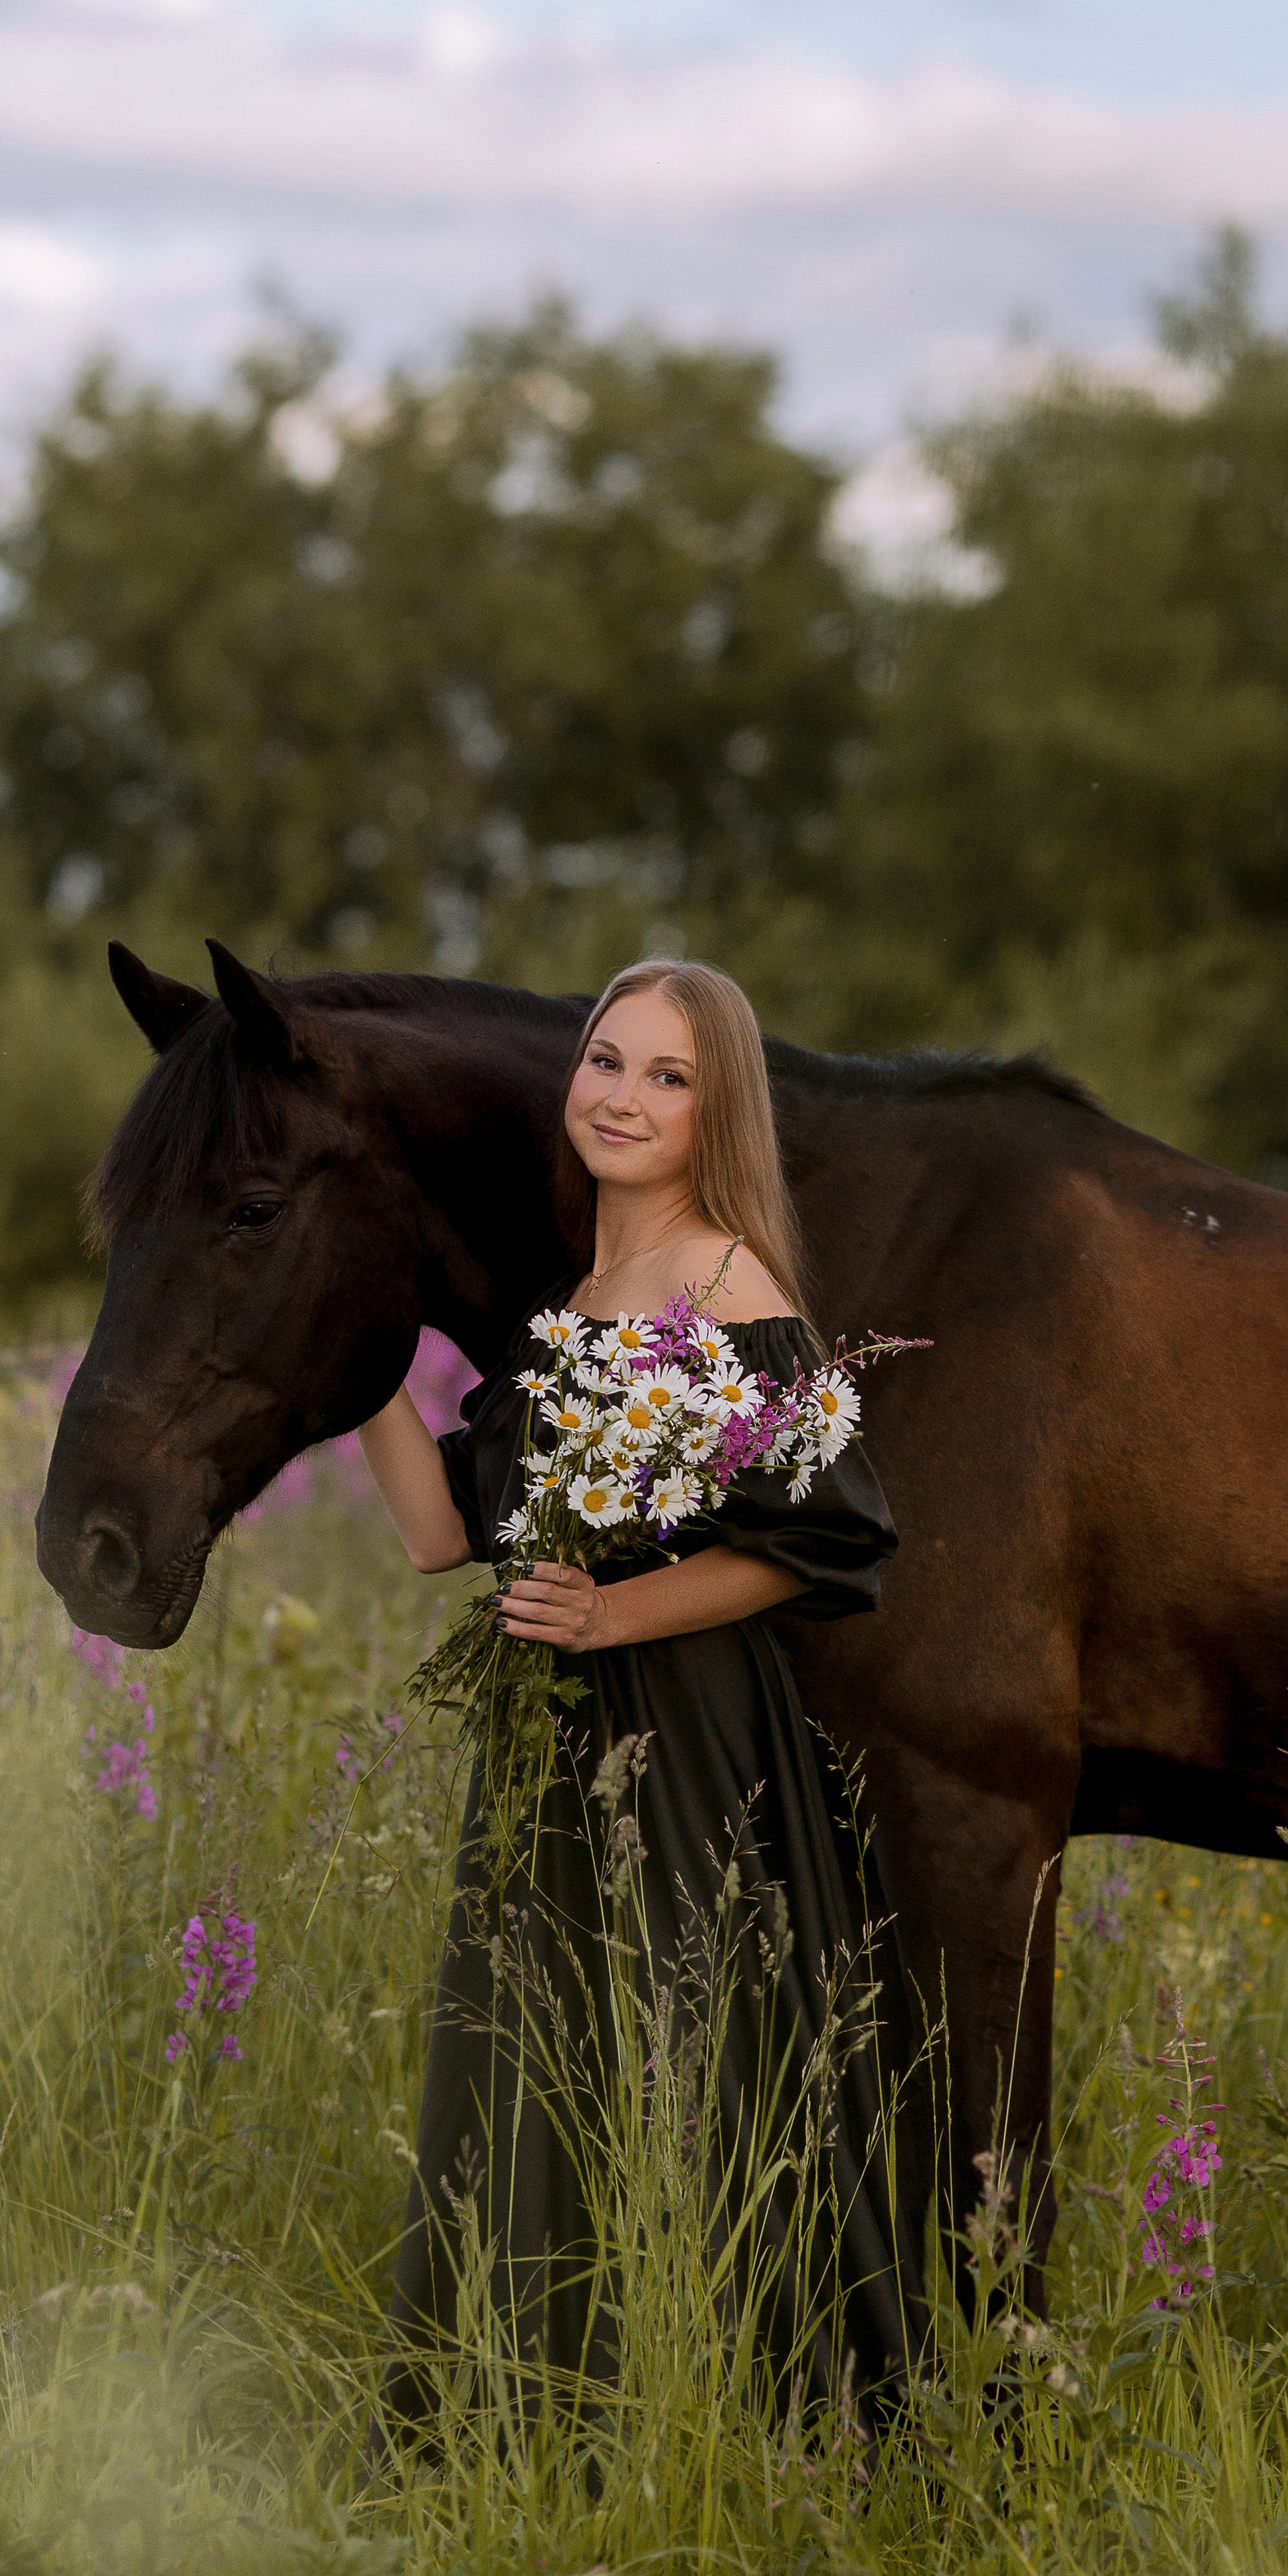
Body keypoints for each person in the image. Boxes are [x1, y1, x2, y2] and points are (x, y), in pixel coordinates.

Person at [360, 960, 919, 2445]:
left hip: (681, 1733)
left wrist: (610, 1612)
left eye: (669, 1077)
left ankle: (747, 2432)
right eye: (606, 1060)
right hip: (547, 1734)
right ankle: (532, 2418)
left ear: (715, 1112)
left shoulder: (724, 1281)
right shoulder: (575, 1302)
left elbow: (832, 1534)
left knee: (690, 2056)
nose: (622, 1096)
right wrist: (362, 1358)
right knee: (533, 2054)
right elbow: (441, 1537)